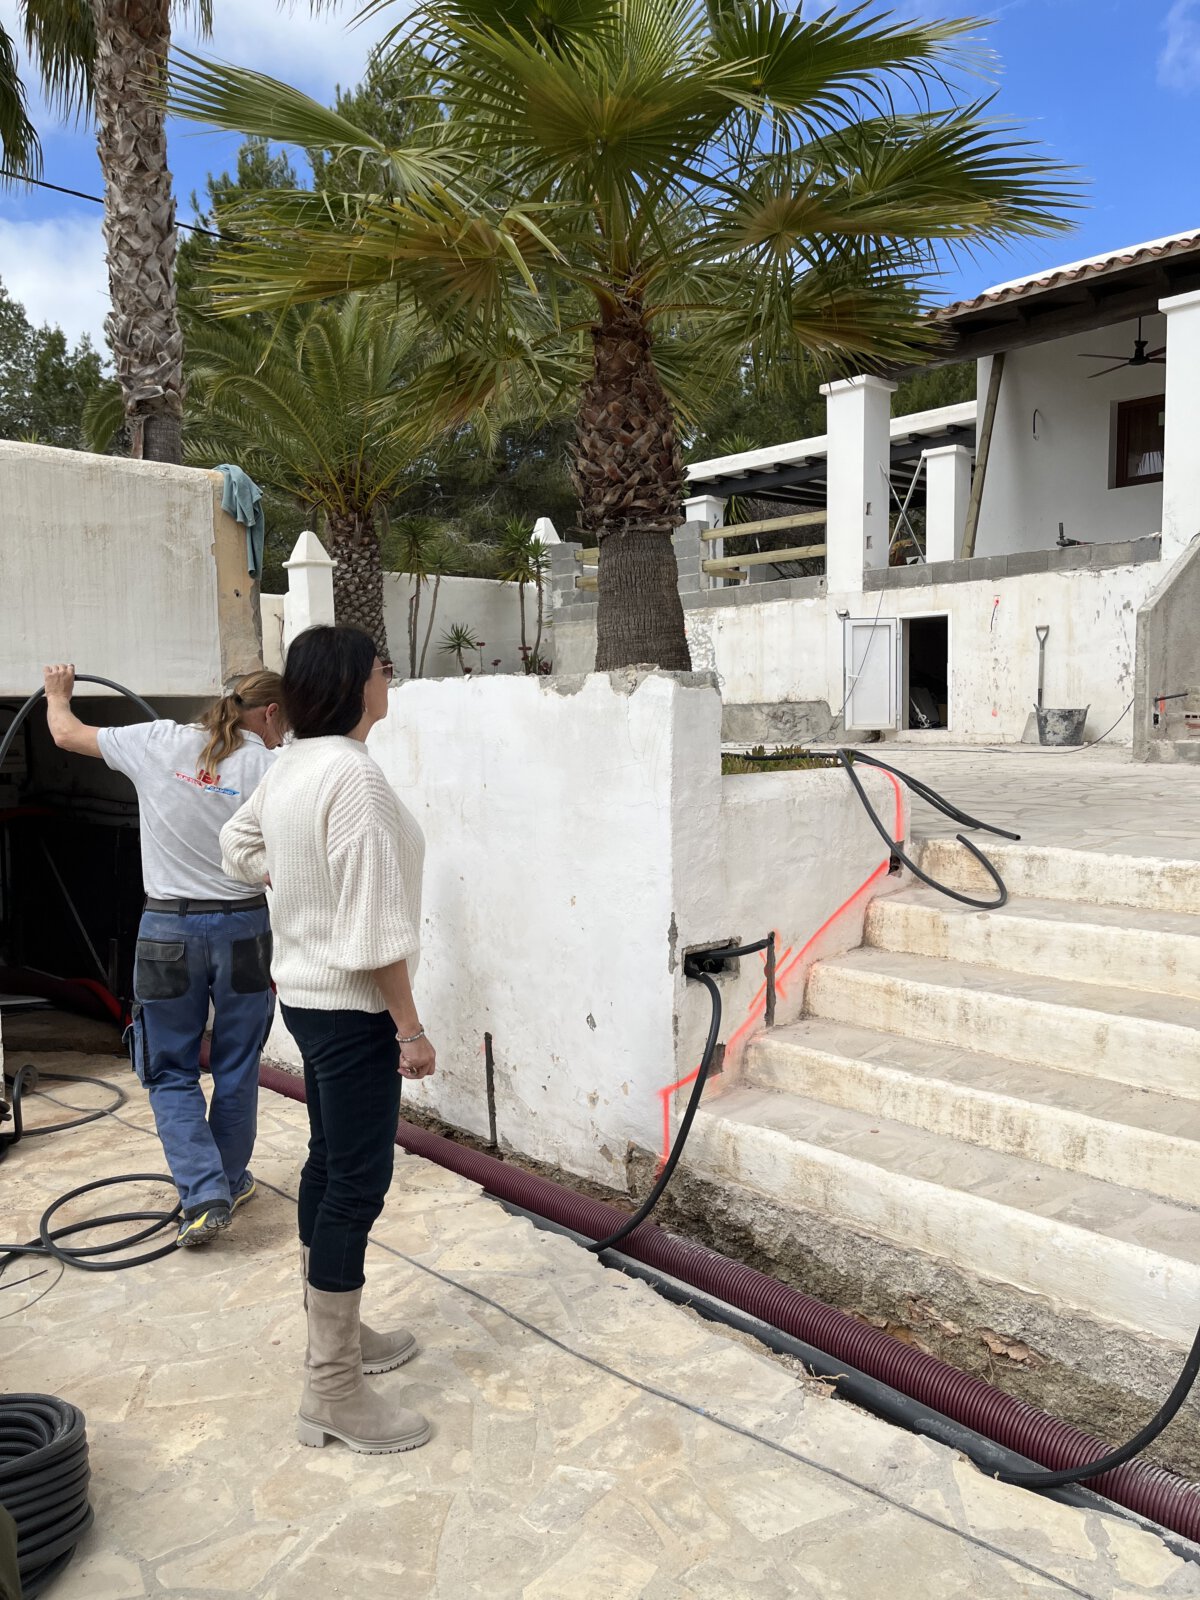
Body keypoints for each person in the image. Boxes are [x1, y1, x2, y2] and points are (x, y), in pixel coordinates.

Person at [220, 624, 436, 1457]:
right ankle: (332, 1390)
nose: (389, 677)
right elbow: (376, 932)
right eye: (383, 666)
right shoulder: (353, 775)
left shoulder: (293, 763)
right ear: (354, 681)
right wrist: (410, 1030)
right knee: (356, 1182)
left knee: (327, 1163)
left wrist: (284, 875)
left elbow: (236, 844)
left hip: (308, 1002)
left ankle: (335, 1341)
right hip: (352, 1011)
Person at [42, 664, 286, 1245]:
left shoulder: (155, 741)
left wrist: (57, 694)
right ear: (270, 713)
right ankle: (226, 1181)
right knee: (237, 1063)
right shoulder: (272, 769)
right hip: (244, 928)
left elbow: (65, 734)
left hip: (168, 929)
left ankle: (206, 1194)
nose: (284, 738)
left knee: (169, 1068)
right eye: (285, 725)